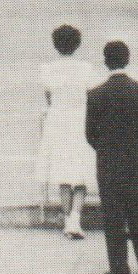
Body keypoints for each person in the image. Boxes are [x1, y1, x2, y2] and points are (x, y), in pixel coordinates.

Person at [84, 40, 138, 274]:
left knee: (113, 213)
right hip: (134, 158)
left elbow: (90, 133)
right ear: (128, 60)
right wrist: (135, 145)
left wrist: (105, 148)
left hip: (107, 160)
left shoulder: (95, 94)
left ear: (106, 62)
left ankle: (119, 269)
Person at [34, 24, 96, 240]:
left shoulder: (47, 69)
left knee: (63, 169)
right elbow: (91, 97)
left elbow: (49, 98)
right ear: (77, 45)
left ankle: (68, 216)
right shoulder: (86, 69)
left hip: (58, 120)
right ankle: (75, 219)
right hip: (80, 120)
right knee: (80, 170)